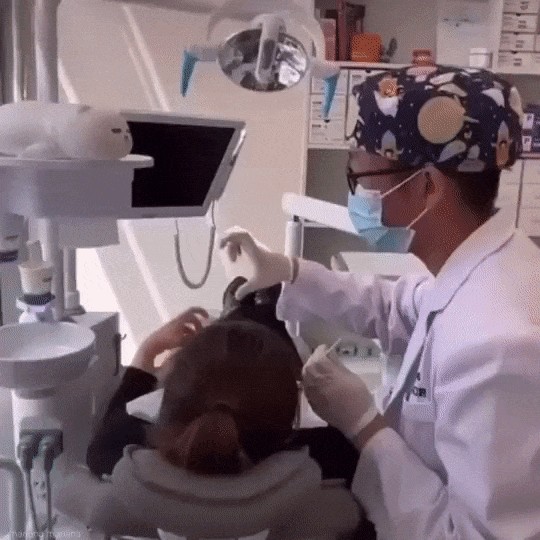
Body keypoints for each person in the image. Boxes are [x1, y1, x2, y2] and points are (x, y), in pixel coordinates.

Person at [220, 65, 540, 539]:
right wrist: (290, 271)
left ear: (428, 186)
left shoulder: (498, 345)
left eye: (363, 177)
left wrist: (366, 428)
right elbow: (397, 306)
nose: (359, 195)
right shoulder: (487, 262)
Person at [55, 315, 361, 539]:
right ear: (290, 415)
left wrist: (146, 353)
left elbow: (111, 429)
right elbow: (363, 451)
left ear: (166, 403)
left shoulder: (116, 449)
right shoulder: (332, 456)